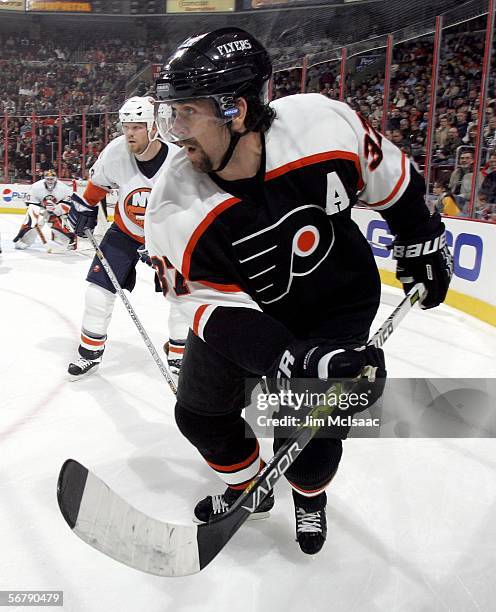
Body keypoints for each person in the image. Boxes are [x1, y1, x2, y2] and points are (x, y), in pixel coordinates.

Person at [145, 28, 453, 555]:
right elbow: (211, 311)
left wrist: (421, 239)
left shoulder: (320, 125)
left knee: (310, 442)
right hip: (247, 318)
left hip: (338, 306)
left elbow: (395, 182)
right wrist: (289, 356)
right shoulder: (174, 203)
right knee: (198, 414)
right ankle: (248, 488)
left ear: (235, 110)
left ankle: (309, 497)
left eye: (186, 113)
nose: (174, 131)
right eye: (169, 113)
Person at [66, 96, 187, 380]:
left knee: (181, 296)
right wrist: (86, 207)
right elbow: (97, 187)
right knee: (97, 293)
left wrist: (159, 241)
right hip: (124, 232)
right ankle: (90, 354)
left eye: (137, 126)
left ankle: (180, 353)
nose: (130, 133)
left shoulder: (177, 161)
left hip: (167, 236)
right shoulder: (115, 152)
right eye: (126, 126)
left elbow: (189, 208)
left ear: (153, 127)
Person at [13, 170, 76, 250]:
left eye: (52, 179)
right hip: (40, 207)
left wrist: (57, 209)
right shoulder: (36, 186)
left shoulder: (63, 188)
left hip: (57, 208)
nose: (50, 181)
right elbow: (30, 202)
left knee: (59, 223)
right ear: (44, 179)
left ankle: (69, 242)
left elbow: (68, 202)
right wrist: (38, 211)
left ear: (56, 179)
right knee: (35, 221)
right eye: (48, 179)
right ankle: (23, 241)